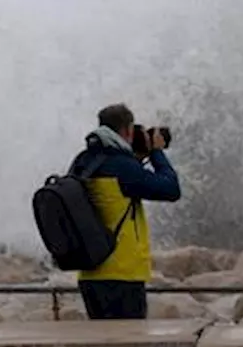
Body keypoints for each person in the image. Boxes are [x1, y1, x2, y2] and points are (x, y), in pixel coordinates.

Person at [67, 102, 181, 320]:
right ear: (128, 130)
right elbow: (171, 189)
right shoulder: (123, 167)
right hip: (122, 273)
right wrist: (156, 152)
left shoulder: (83, 161)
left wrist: (136, 158)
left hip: (89, 273)